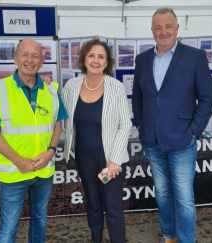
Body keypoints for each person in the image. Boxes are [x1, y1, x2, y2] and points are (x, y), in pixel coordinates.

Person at [132, 8, 212, 243]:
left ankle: (187, 239)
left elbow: (208, 98)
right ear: (152, 31)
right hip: (152, 141)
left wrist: (193, 131)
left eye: (168, 26)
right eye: (158, 27)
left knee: (184, 197)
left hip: (182, 139)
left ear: (177, 28)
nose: (163, 31)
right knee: (162, 194)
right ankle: (169, 236)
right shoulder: (143, 59)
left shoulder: (195, 57)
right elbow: (138, 97)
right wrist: (140, 124)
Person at [0, 39, 67, 242]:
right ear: (15, 59)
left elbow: (57, 124)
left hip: (44, 169)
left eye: (35, 56)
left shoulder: (51, 89)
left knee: (40, 219)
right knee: (9, 227)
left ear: (42, 61)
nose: (30, 60)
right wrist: (20, 162)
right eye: (25, 55)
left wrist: (51, 152)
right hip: (13, 172)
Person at [61, 38, 131, 243]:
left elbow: (125, 125)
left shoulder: (116, 87)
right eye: (91, 55)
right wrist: (47, 87)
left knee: (113, 207)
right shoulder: (72, 86)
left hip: (110, 159)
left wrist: (114, 160)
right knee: (92, 204)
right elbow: (60, 110)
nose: (95, 60)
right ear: (84, 58)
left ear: (107, 62)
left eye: (101, 56)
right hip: (83, 157)